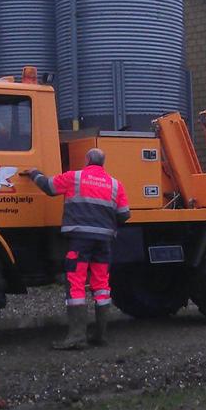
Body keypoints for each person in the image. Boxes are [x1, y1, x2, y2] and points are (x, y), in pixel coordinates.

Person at [21, 148, 130, 350]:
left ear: (87, 159)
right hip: (103, 242)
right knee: (102, 285)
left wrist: (34, 173)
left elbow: (49, 187)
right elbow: (124, 214)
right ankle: (100, 335)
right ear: (103, 162)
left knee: (76, 283)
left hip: (80, 240)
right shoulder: (116, 184)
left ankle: (77, 336)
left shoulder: (75, 177)